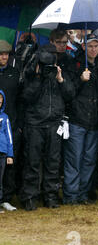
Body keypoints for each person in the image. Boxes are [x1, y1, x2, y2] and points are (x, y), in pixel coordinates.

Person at [21, 44, 75, 211]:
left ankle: (50, 196)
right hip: (35, 123)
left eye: (54, 55)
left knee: (53, 163)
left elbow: (70, 95)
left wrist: (60, 79)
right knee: (32, 161)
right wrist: (38, 77)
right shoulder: (32, 72)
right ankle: (29, 197)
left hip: (54, 123)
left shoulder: (59, 72)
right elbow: (27, 97)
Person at [63, 33, 98, 205]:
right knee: (74, 159)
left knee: (89, 160)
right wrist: (80, 79)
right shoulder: (75, 64)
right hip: (77, 119)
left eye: (96, 46)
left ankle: (83, 194)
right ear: (84, 46)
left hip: (94, 121)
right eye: (90, 46)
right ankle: (71, 195)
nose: (94, 49)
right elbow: (68, 92)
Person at [0, 40, 21, 211]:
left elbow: (20, 100)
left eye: (6, 54)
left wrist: (17, 124)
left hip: (11, 124)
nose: (4, 57)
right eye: (1, 54)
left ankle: (6, 197)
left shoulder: (14, 73)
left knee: (9, 162)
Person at [0, 90, 14, 213]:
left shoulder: (5, 117)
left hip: (2, 153)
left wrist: (10, 154)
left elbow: (9, 137)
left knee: (1, 179)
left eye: (1, 98)